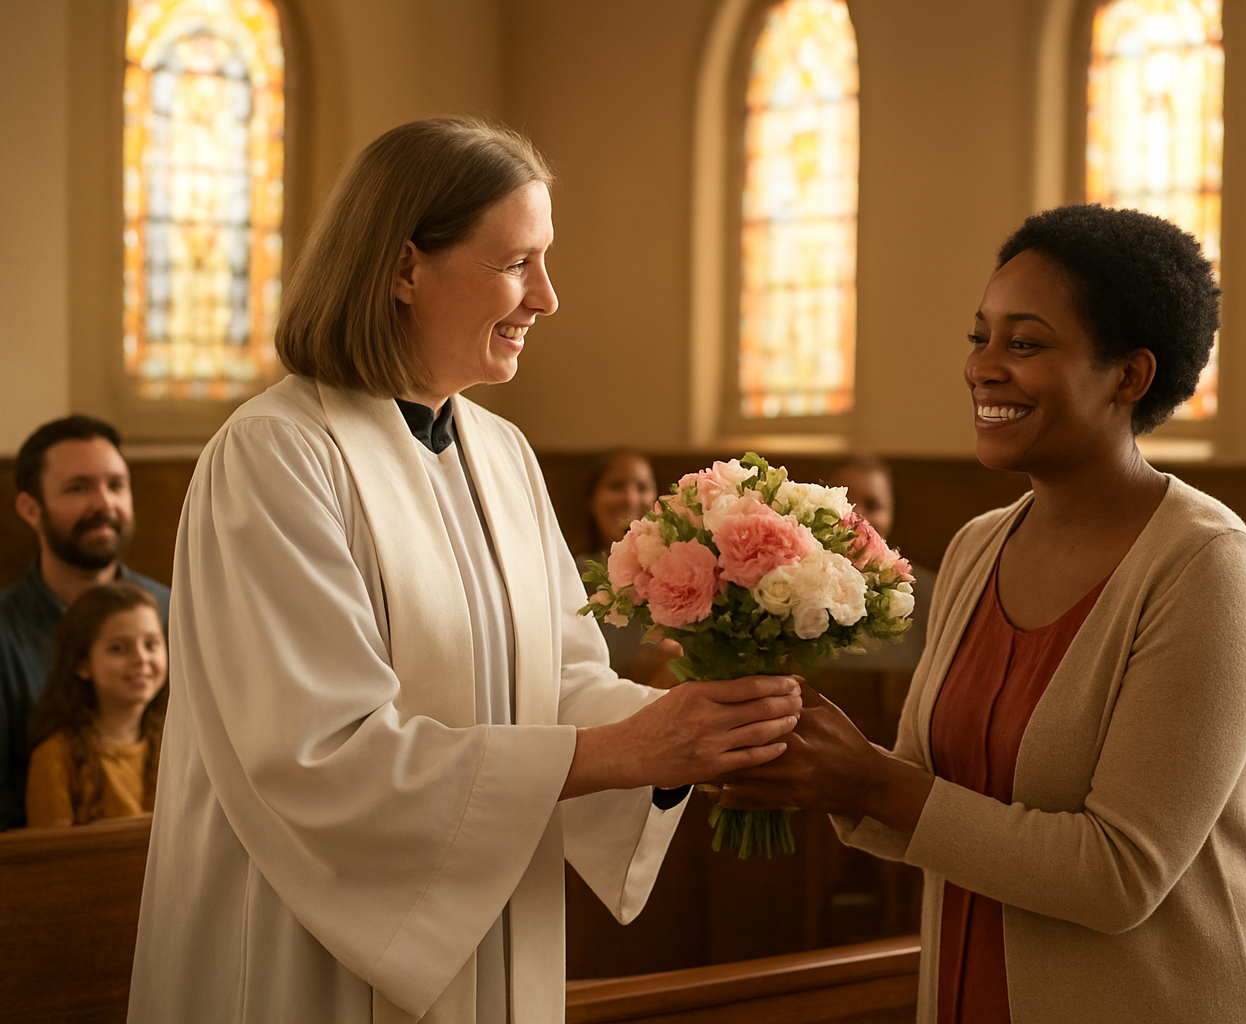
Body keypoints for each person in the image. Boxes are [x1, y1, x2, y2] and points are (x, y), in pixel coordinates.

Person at [128, 118, 802, 1024]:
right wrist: (628, 750)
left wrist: (698, 734)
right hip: (309, 952)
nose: (548, 298)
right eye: (518, 263)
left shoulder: (502, 451)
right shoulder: (276, 455)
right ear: (405, 268)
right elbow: (321, 754)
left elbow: (560, 681)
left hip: (494, 934)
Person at [717, 204, 1246, 1021]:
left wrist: (872, 781)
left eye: (1024, 343)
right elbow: (935, 792)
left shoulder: (1208, 567)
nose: (983, 367)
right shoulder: (976, 547)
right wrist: (814, 763)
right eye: (980, 337)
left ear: (1128, 376)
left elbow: (1119, 874)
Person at [0, 415, 170, 831]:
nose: (104, 504)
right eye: (78, 488)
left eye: (115, 485)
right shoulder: (5, 630)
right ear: (30, 508)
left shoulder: (172, 609)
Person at [25, 582, 168, 827]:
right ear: (82, 664)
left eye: (151, 644)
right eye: (119, 648)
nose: (142, 658)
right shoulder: (55, 758)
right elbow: (51, 858)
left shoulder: (176, 743)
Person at [572, 450, 681, 688]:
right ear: (592, 499)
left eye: (642, 487)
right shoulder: (571, 576)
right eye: (616, 486)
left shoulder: (679, 572)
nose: (630, 497)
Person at [825, 456, 935, 672]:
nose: (858, 518)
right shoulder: (792, 586)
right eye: (847, 503)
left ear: (892, 514)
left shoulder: (933, 593)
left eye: (873, 505)